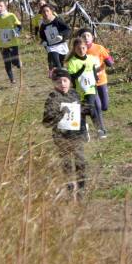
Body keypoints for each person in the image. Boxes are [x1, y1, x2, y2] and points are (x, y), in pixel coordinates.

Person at [42, 68, 90, 200]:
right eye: (58, 81)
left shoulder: (74, 94)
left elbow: (79, 115)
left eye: (65, 80)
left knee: (81, 163)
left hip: (77, 136)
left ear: (70, 82)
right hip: (62, 139)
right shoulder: (52, 98)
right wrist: (61, 114)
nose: (62, 83)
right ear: (54, 84)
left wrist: (85, 110)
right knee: (67, 165)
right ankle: (70, 191)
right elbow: (46, 122)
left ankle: (81, 191)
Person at [65, 38, 106, 139]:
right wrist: (81, 70)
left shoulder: (90, 58)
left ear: (86, 48)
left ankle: (99, 129)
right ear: (74, 49)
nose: (81, 50)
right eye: (78, 48)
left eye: (83, 48)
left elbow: (92, 70)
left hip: (90, 88)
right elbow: (72, 77)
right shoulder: (72, 62)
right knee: (81, 111)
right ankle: (83, 131)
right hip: (79, 90)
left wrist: (95, 78)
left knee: (90, 106)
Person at [77, 28, 114, 114]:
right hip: (89, 82)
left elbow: (108, 58)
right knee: (97, 105)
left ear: (92, 37)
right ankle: (95, 115)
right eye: (84, 36)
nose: (86, 38)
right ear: (80, 38)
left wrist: (109, 61)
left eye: (88, 35)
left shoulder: (99, 48)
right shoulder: (79, 50)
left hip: (101, 80)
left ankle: (94, 110)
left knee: (105, 106)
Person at [0, 0, 22, 84]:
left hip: (13, 43)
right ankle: (12, 79)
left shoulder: (11, 15)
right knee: (7, 62)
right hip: (2, 44)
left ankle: (17, 62)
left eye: (1, 6)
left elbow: (19, 25)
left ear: (5, 7)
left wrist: (16, 32)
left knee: (14, 61)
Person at [38, 4, 70, 72]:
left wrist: (61, 35)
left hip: (61, 45)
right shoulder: (43, 24)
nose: (46, 13)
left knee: (61, 64)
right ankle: (58, 73)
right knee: (57, 65)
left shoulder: (57, 20)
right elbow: (42, 36)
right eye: (43, 12)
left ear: (51, 11)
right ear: (42, 14)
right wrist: (44, 42)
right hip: (51, 47)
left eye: (47, 11)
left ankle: (62, 78)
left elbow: (67, 29)